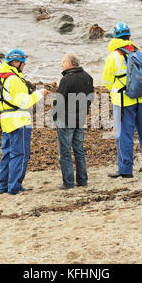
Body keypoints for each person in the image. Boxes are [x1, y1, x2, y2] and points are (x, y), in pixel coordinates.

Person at [102, 22, 142, 178]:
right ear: (129, 36)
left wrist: (115, 87)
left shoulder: (113, 56)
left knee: (124, 135)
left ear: (115, 36)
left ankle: (126, 170)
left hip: (123, 100)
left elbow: (106, 81)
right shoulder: (139, 51)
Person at [0, 48, 49, 195]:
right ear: (15, 62)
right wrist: (39, 94)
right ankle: (14, 187)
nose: (24, 65)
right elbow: (25, 103)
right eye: (23, 63)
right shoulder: (15, 80)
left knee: (6, 154)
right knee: (20, 154)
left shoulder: (0, 78)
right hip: (19, 121)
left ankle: (2, 186)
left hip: (6, 121)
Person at [53, 53, 94, 189]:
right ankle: (82, 180)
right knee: (79, 150)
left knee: (65, 152)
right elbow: (90, 98)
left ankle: (69, 183)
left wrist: (54, 116)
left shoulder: (67, 79)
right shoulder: (88, 77)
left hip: (66, 119)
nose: (61, 64)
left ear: (70, 64)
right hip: (80, 118)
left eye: (63, 62)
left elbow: (59, 100)